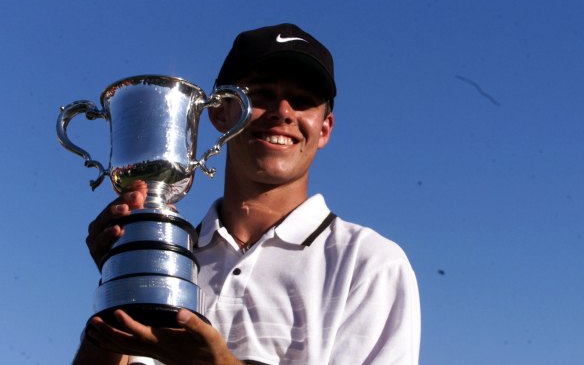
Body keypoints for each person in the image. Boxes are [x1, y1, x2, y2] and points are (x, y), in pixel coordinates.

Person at [73, 23, 421, 365]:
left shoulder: (370, 263)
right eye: (262, 94)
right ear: (218, 112)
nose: (283, 113)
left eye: (303, 101)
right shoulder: (170, 255)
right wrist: (119, 279)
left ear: (325, 129)